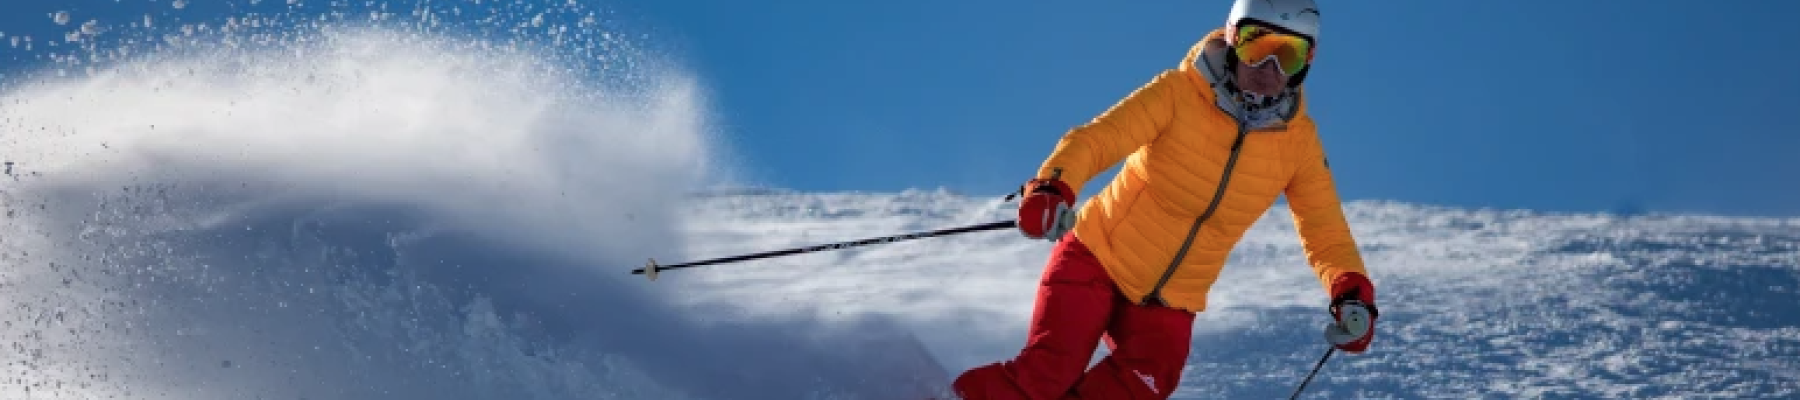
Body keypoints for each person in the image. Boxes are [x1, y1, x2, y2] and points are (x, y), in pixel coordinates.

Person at [951, 0, 1379, 398]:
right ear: (1233, 38)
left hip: (1172, 300)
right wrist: (1052, 188)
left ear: (1307, 62)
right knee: (1049, 373)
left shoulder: (1298, 145)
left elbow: (1324, 228)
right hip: (1098, 258)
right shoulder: (1179, 94)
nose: (1269, 68)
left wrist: (1351, 293)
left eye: (1288, 55)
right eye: (1257, 46)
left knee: (1144, 384)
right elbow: (1099, 139)